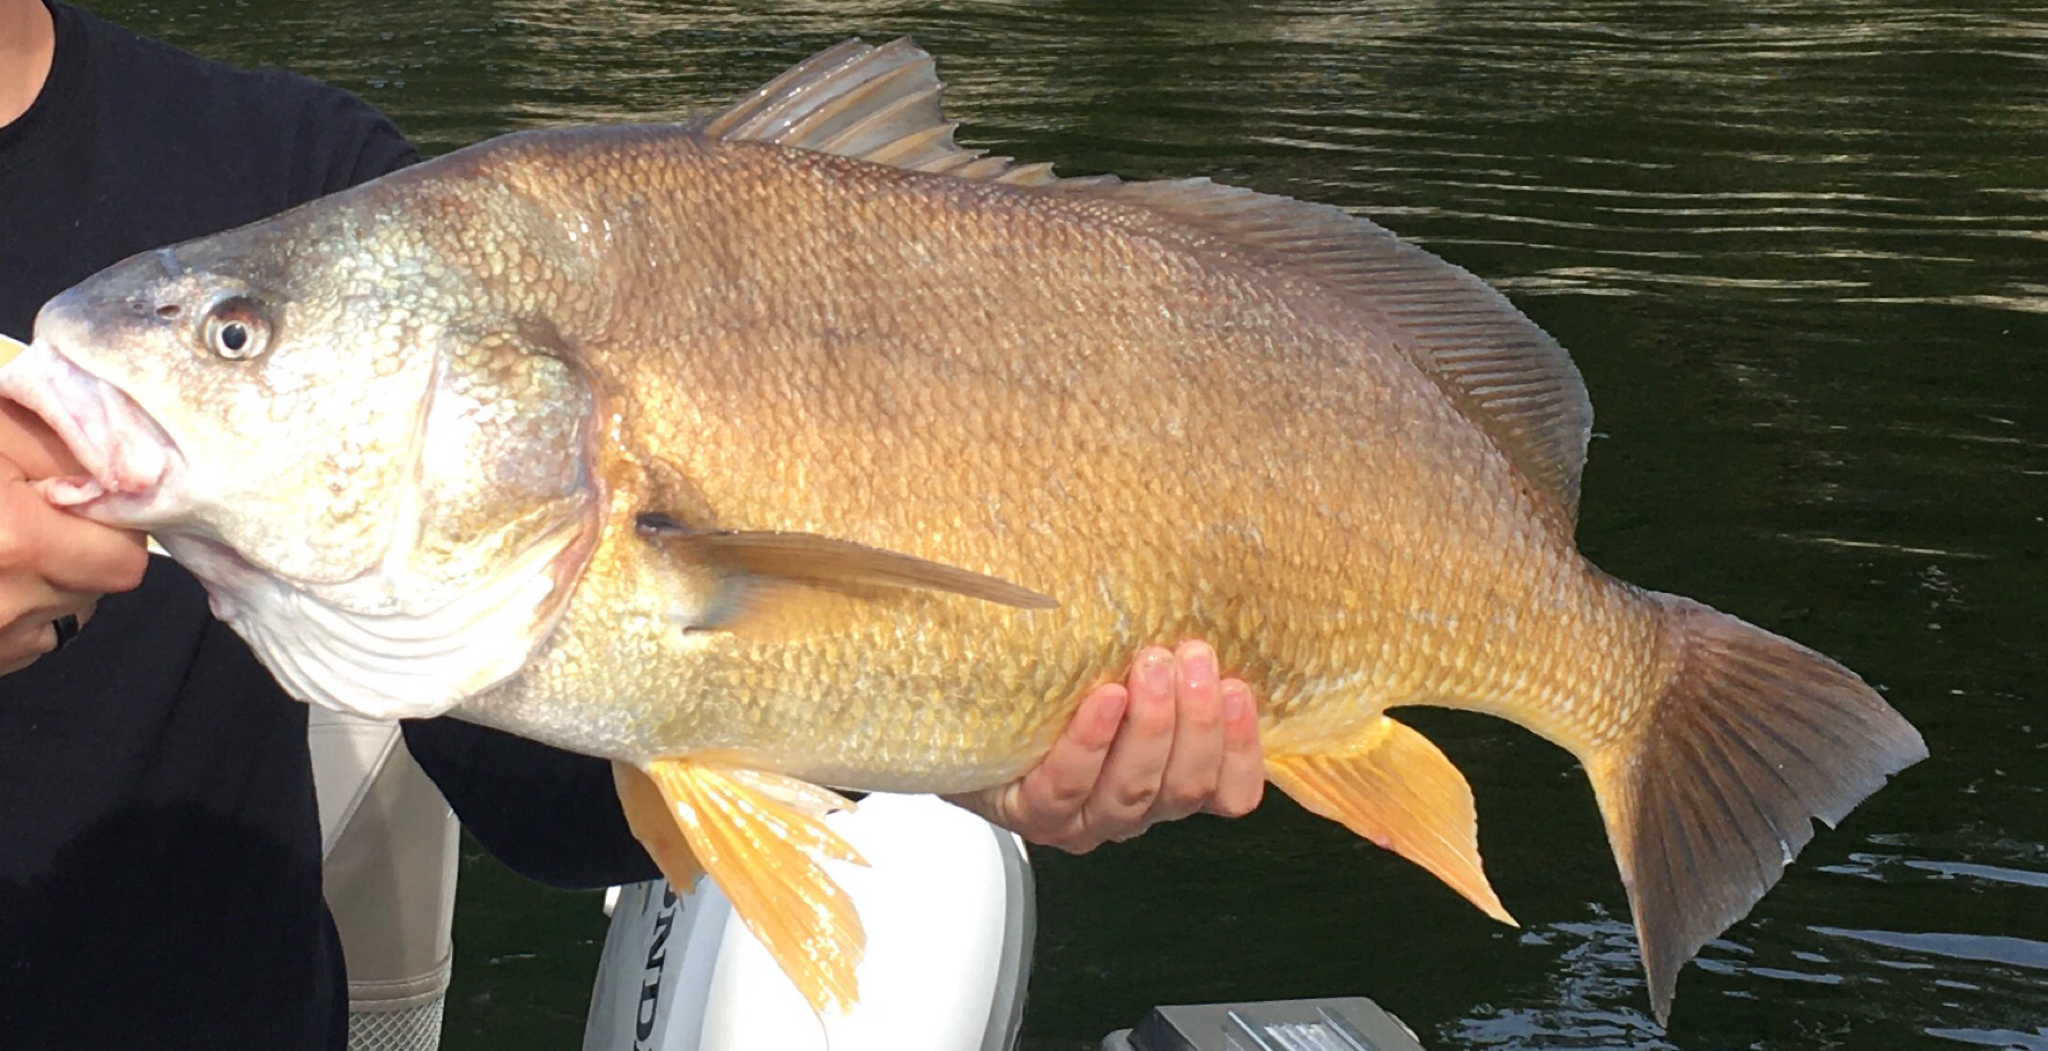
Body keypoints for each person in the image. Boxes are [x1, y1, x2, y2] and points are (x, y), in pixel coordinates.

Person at [0, 2, 1263, 1047]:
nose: (174, 355)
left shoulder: (290, 169)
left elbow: (544, 792)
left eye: (235, 336)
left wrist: (971, 722)